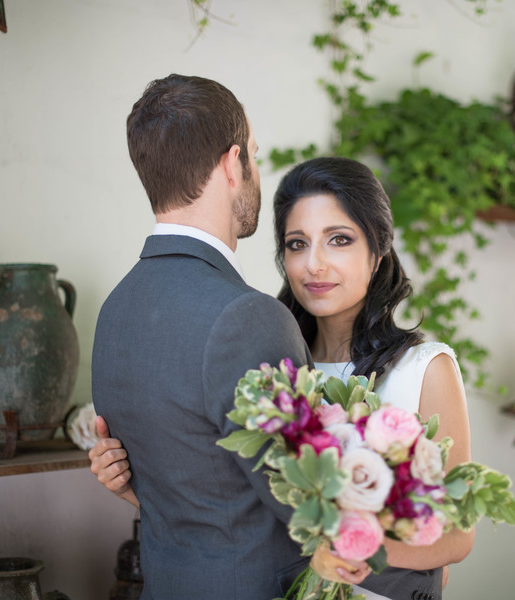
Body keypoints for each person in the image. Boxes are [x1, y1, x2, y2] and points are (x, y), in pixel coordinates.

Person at [92, 155, 475, 599]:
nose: (314, 263)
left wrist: (342, 548)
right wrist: (129, 484)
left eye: (339, 239)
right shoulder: (269, 365)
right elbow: (237, 512)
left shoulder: (425, 369)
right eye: (297, 244)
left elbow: (456, 537)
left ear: (378, 253)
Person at [91, 74, 354, 600]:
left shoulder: (114, 311)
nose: (256, 170)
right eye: (254, 155)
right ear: (233, 164)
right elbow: (308, 504)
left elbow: (189, 485)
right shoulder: (247, 317)